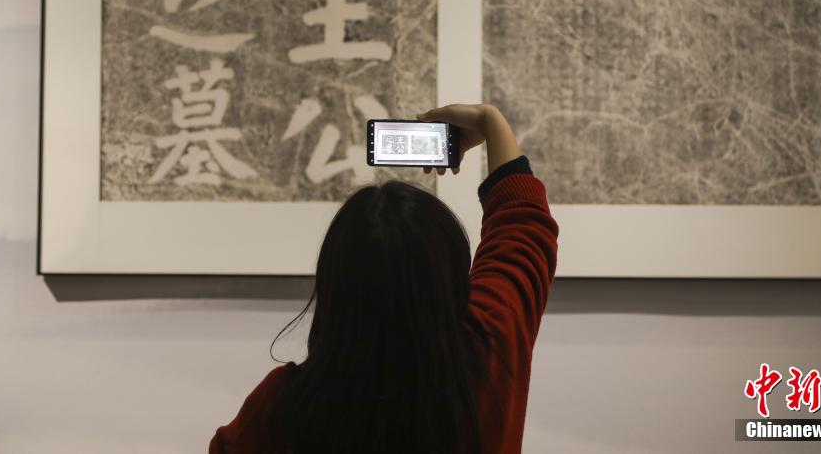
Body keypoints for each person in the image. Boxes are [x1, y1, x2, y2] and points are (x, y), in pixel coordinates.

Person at [209, 103, 559, 454]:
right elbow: (522, 226)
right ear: (449, 280)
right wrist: (489, 120)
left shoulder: (282, 408)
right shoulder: (491, 355)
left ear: (334, 286)